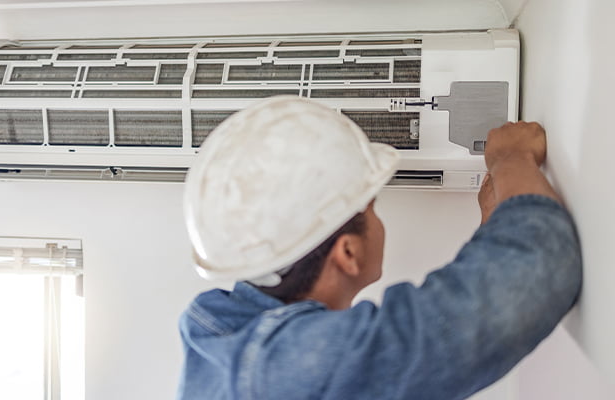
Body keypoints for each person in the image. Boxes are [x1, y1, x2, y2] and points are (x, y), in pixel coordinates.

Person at [177, 96, 582, 400]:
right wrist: (512, 158)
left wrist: (495, 223)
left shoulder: (219, 343)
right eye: (373, 207)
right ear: (348, 254)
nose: (377, 217)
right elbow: (539, 266)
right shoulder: (288, 372)